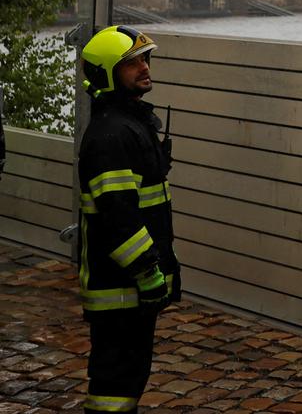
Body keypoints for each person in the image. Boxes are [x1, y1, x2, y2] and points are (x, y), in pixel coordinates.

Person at [76, 25, 180, 413]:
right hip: (121, 287)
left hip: (128, 286)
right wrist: (148, 273)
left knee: (128, 378)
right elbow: (118, 216)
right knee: (116, 384)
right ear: (106, 73)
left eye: (145, 58)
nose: (144, 67)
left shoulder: (127, 125)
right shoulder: (112, 136)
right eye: (131, 63)